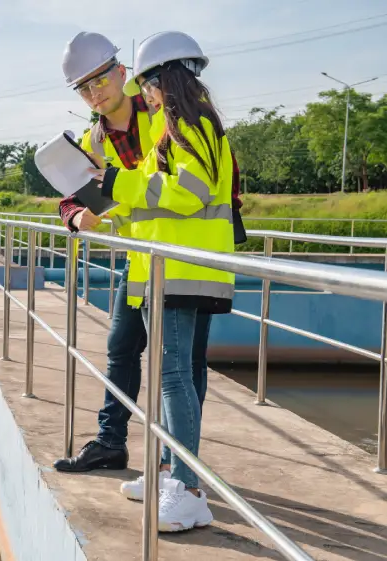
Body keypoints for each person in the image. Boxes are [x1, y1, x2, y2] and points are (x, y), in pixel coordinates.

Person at [53, 31, 244, 496]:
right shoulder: (94, 135)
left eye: (100, 80)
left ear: (125, 74)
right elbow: (77, 190)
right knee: (127, 350)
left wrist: (118, 185)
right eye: (84, 88)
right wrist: (78, 214)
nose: (94, 93)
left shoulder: (168, 114)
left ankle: (180, 476)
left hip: (178, 257)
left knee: (181, 368)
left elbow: (194, 185)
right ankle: (119, 446)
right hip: (146, 259)